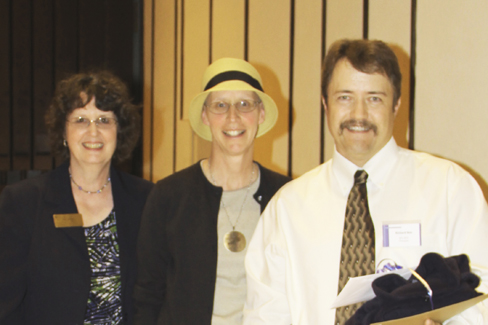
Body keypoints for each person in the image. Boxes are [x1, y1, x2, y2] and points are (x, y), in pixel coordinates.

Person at [243, 39, 488, 324]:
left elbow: (483, 290)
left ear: (396, 104)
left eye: (374, 98)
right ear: (325, 103)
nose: (359, 114)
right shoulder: (287, 209)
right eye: (344, 97)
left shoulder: (450, 189)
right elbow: (264, 315)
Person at [133, 58, 291, 324]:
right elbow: (147, 295)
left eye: (244, 104)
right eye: (220, 105)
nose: (233, 117)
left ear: (261, 114)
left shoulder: (286, 196)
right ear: (205, 116)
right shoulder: (168, 196)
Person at [0, 71, 154, 324]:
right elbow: (5, 304)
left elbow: (154, 293)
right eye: (81, 119)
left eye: (104, 120)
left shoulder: (147, 200)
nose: (93, 132)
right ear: (64, 131)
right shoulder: (23, 202)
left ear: (120, 131)